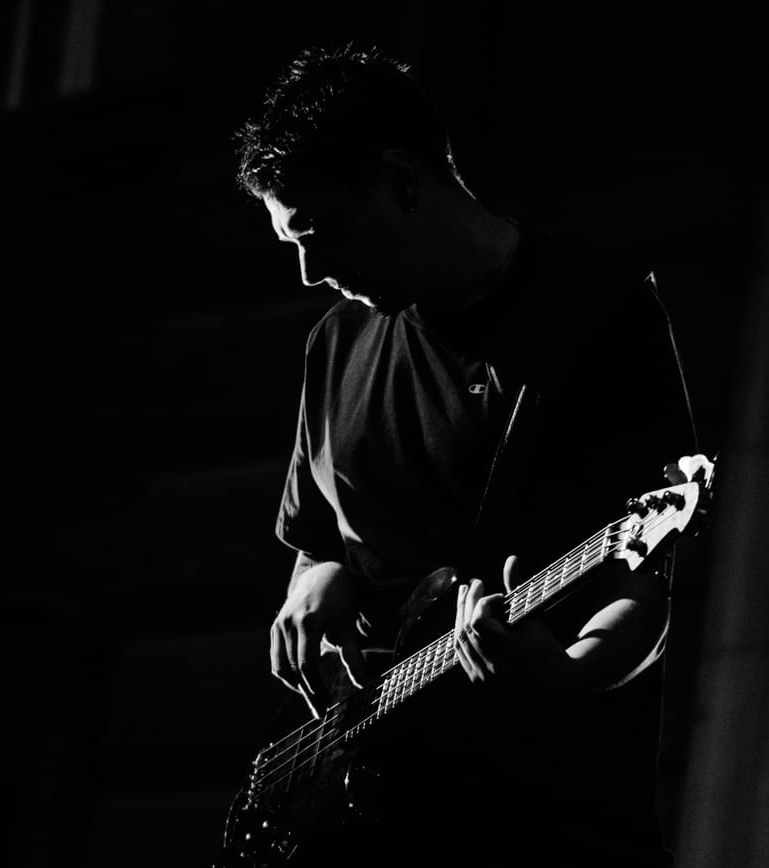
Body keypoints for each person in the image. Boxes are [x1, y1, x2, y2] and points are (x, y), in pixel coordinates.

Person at [232, 45, 694, 866]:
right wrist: (315, 581)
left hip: (544, 826)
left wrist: (568, 674)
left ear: (401, 182)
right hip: (376, 819)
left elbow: (646, 575)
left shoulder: (599, 310)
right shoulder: (335, 343)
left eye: (318, 232)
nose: (308, 271)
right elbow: (320, 536)